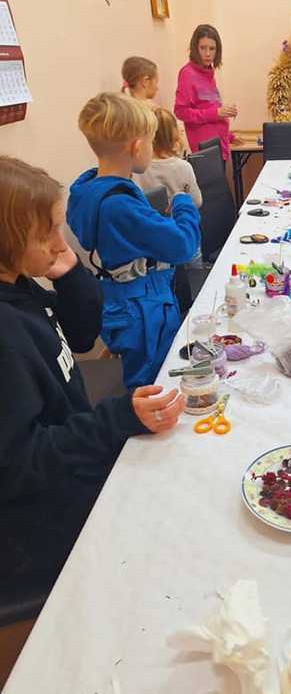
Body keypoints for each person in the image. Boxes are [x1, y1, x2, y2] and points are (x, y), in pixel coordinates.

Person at [0, 156, 185, 586]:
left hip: (70, 456)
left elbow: (81, 339)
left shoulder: (21, 288)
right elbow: (21, 464)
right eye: (47, 232)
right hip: (37, 520)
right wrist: (117, 419)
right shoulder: (6, 333)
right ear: (8, 240)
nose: (59, 241)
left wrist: (69, 276)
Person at [67, 93, 201, 388]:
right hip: (144, 309)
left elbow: (133, 237)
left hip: (120, 300)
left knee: (140, 376)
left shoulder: (90, 190)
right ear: (137, 146)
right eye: (151, 142)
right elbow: (184, 246)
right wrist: (183, 203)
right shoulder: (120, 205)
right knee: (154, 381)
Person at [174, 24, 240, 161]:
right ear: (195, 48)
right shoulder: (188, 74)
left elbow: (208, 108)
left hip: (219, 145)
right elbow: (181, 112)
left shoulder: (208, 72)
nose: (208, 53)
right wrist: (217, 113)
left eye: (212, 48)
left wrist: (229, 136)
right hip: (205, 150)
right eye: (203, 48)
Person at [133, 108, 203, 208]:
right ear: (173, 133)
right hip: (180, 220)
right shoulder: (184, 167)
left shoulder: (137, 170)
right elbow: (197, 201)